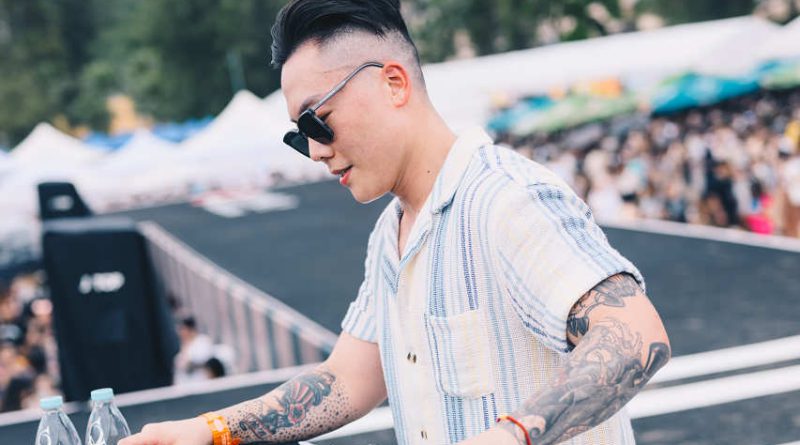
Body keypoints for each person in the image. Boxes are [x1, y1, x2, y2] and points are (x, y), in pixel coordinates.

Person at [121, 1, 670, 444]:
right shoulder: (391, 232)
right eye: (298, 135)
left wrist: (509, 436)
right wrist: (209, 430)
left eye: (317, 121)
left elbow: (634, 337)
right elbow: (346, 380)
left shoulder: (506, 197)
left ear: (393, 83)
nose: (314, 151)